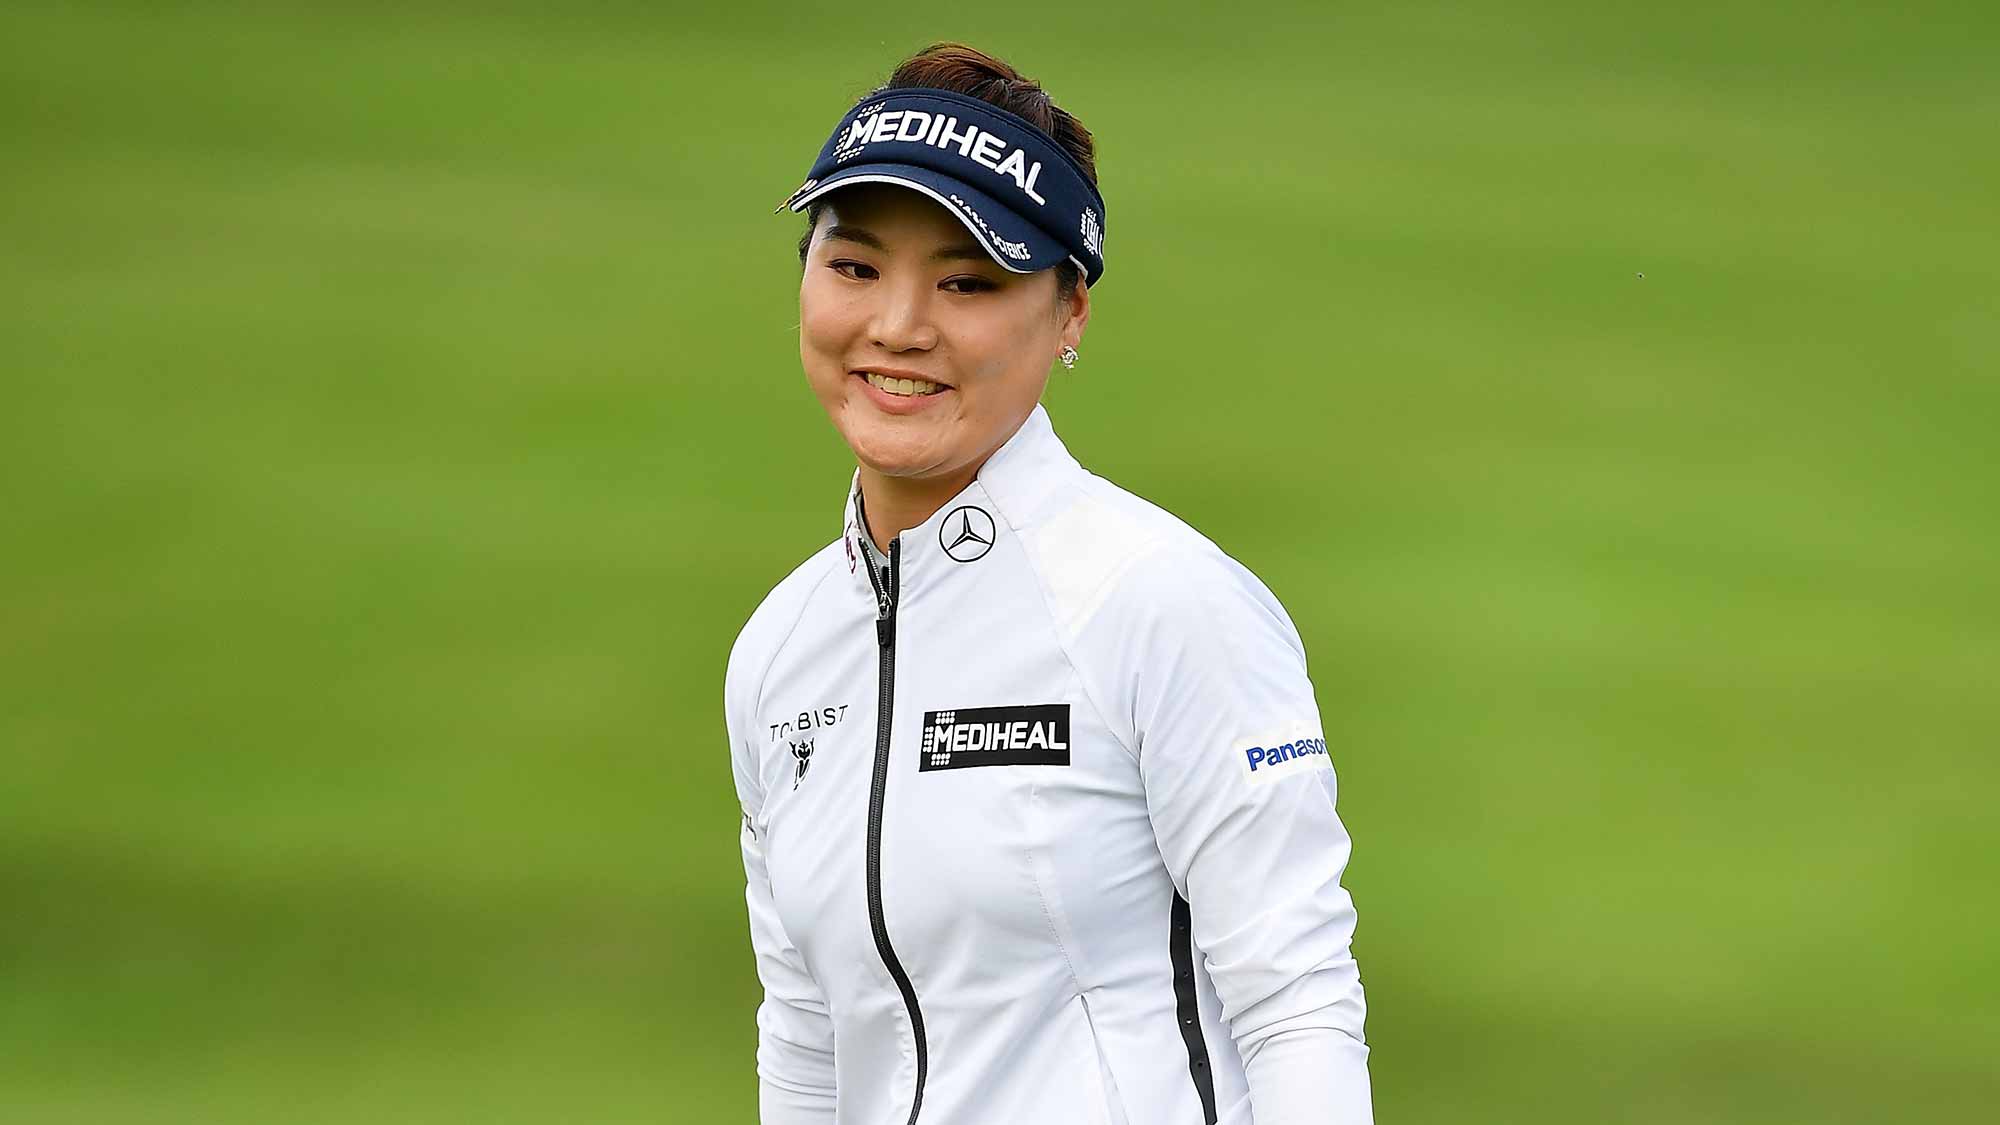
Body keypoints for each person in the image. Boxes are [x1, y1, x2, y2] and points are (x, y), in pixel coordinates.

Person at [725, 43, 1372, 1125]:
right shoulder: (779, 649)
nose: (897, 326)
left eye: (966, 282)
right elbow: (806, 1040)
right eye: (853, 265)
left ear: (1069, 312)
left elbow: (1297, 1005)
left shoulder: (1160, 600)